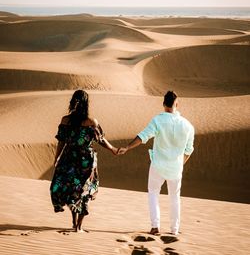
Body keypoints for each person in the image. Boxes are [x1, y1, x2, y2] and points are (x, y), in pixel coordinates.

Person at [118, 91, 194, 236]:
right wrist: (181, 164)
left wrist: (127, 147)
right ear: (176, 104)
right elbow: (189, 150)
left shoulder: (158, 120)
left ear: (163, 104)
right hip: (176, 168)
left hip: (158, 165)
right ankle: (174, 230)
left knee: (153, 193)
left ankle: (155, 226)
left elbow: (143, 136)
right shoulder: (188, 125)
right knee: (175, 197)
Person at [50, 90, 118, 232]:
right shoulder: (91, 122)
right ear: (86, 104)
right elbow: (100, 140)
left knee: (73, 191)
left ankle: (75, 224)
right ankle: (78, 227)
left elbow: (61, 142)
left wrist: (57, 158)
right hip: (85, 161)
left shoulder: (65, 120)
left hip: (69, 159)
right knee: (83, 192)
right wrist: (112, 149)